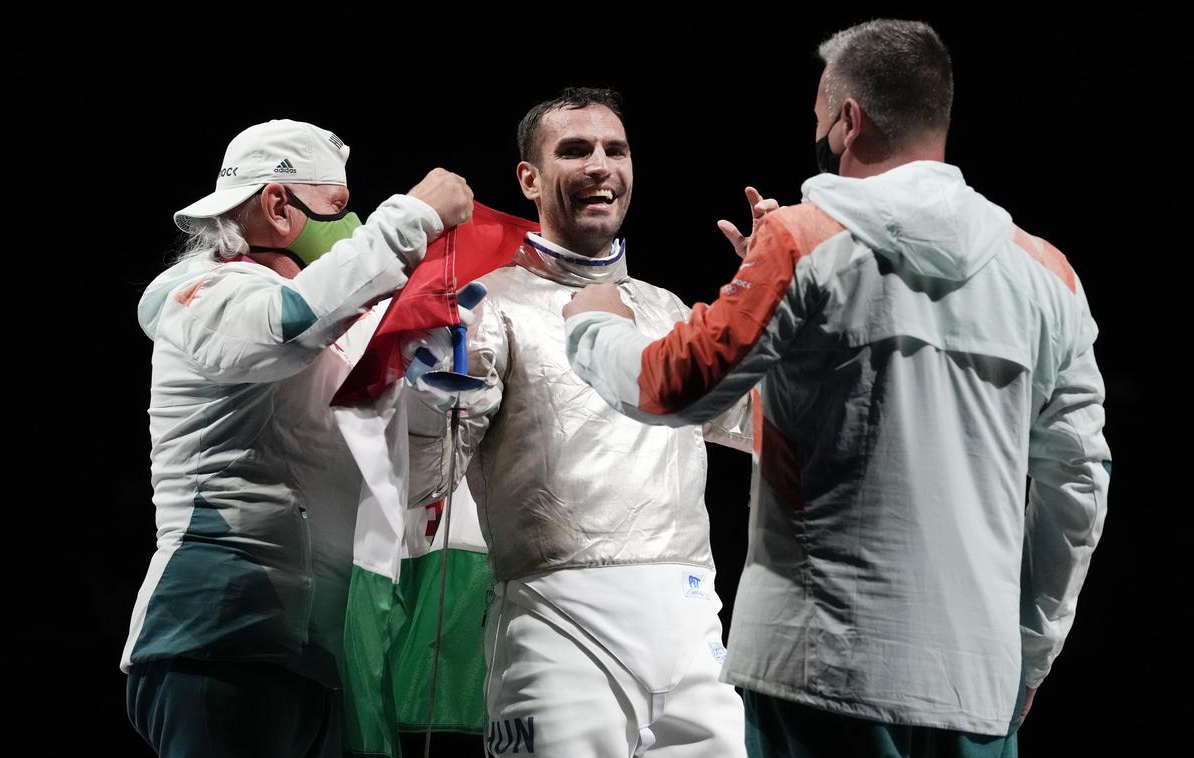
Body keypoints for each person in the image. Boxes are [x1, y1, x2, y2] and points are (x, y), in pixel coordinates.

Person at [562, 20, 1110, 758]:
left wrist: (593, 324)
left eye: (819, 116)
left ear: (848, 121)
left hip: (821, 675)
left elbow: (675, 387)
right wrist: (1031, 649)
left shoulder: (801, 241)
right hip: (977, 688)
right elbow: (1079, 486)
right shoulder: (1049, 273)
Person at [406, 88, 757, 757]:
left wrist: (776, 308)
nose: (600, 165)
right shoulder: (488, 308)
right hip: (556, 627)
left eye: (614, 150)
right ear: (529, 179)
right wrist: (430, 391)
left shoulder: (668, 310)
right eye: (575, 150)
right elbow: (425, 479)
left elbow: (764, 426)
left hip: (689, 618)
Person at [121, 118, 473, 757]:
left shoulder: (336, 329)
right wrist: (412, 217)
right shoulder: (197, 295)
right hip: (220, 639)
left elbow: (411, 481)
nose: (354, 225)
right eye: (340, 209)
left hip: (323, 657)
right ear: (280, 206)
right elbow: (282, 325)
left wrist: (432, 380)